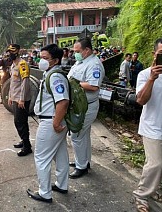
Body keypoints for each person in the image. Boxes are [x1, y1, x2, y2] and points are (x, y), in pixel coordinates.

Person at [27, 43, 70, 203]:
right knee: (60, 155)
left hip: (51, 121)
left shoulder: (55, 76)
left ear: (55, 60)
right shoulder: (51, 74)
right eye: (40, 57)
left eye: (45, 58)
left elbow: (63, 102)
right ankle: (61, 184)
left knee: (41, 157)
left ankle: (45, 193)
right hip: (54, 119)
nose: (41, 60)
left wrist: (56, 123)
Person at [133, 37, 162, 212]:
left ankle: (152, 191)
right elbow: (141, 100)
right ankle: (141, 194)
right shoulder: (145, 74)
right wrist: (152, 79)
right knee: (156, 164)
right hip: (152, 128)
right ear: (154, 54)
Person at [67, 37, 105, 178]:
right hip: (80, 105)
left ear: (87, 50)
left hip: (87, 106)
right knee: (84, 136)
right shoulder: (80, 62)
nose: (74, 53)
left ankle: (81, 166)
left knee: (77, 135)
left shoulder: (94, 65)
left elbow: (93, 86)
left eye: (77, 51)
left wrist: (73, 83)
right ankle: (84, 161)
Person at [7, 43, 32, 156]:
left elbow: (25, 83)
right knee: (19, 122)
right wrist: (10, 96)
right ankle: (24, 140)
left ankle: (27, 147)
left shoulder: (22, 64)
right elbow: (12, 83)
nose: (9, 54)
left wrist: (22, 99)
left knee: (20, 122)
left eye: (12, 52)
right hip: (15, 98)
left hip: (22, 99)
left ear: (17, 52)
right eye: (9, 52)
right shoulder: (13, 65)